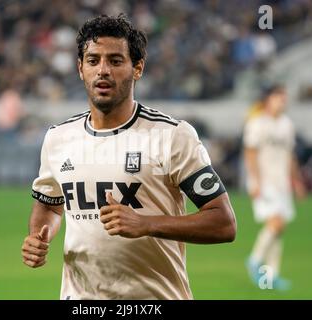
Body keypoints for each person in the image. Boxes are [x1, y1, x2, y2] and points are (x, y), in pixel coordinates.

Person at [21, 14, 237, 300]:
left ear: (138, 68)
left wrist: (146, 223)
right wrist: (41, 235)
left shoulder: (172, 136)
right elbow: (49, 205)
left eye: (115, 60)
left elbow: (223, 222)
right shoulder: (59, 138)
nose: (103, 71)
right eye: (93, 60)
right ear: (80, 68)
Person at [244, 84, 306, 290]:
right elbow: (250, 153)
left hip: (281, 183)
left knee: (279, 229)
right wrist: (255, 181)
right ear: (268, 99)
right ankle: (254, 259)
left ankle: (269, 277)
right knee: (276, 223)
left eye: (284, 97)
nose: (282, 101)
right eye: (279, 96)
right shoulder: (257, 122)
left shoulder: (287, 124)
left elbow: (290, 156)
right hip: (264, 182)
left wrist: (296, 181)